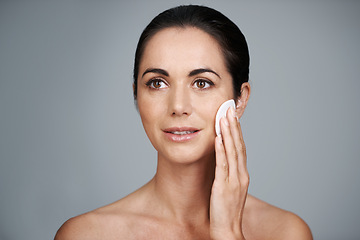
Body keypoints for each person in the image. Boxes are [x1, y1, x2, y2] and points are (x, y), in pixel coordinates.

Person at [55, 5, 312, 239]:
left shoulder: (285, 232)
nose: (178, 106)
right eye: (157, 83)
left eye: (202, 83)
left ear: (240, 99)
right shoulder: (85, 234)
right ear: (136, 93)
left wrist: (228, 233)